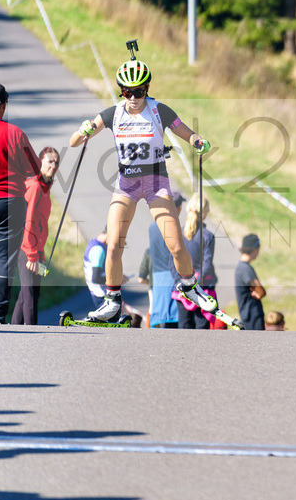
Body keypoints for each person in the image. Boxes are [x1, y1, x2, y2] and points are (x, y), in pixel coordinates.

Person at [68, 57, 217, 322]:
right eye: (128, 92)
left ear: (147, 89)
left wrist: (198, 141)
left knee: (176, 245)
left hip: (155, 184)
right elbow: (74, 142)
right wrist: (83, 131)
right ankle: (112, 300)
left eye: (139, 92)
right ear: (121, 91)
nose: (134, 98)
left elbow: (187, 133)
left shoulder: (159, 110)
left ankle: (190, 287)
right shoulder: (113, 114)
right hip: (126, 185)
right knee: (114, 244)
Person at [0, 83, 42, 323]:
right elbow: (35, 168)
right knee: (4, 260)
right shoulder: (15, 133)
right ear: (4, 106)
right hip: (10, 201)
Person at [11, 147, 60, 325]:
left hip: (36, 250)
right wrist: (32, 254)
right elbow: (28, 220)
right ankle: (33, 334)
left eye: (56, 163)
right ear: (40, 163)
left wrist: (40, 253)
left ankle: (14, 331)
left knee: (29, 295)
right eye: (50, 161)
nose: (53, 166)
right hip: (26, 249)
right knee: (29, 294)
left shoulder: (45, 189)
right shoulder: (34, 187)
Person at [177, 196, 218, 329]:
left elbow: (173, 260)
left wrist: (179, 282)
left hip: (182, 285)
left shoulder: (179, 233)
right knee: (202, 330)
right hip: (201, 286)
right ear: (204, 213)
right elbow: (207, 264)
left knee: (184, 327)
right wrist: (196, 286)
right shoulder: (207, 236)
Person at [147, 192, 186, 328]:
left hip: (158, 277)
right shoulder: (175, 227)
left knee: (162, 319)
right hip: (173, 276)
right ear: (178, 208)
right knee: (176, 319)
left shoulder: (152, 227)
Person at [235, 233, 266, 330]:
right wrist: (259, 293)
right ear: (255, 249)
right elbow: (261, 291)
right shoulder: (246, 269)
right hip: (252, 315)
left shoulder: (240, 267)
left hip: (246, 314)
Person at [84, 227, 109, 311]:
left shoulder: (94, 243)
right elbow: (96, 278)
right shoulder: (98, 250)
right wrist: (117, 279)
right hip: (101, 295)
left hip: (99, 294)